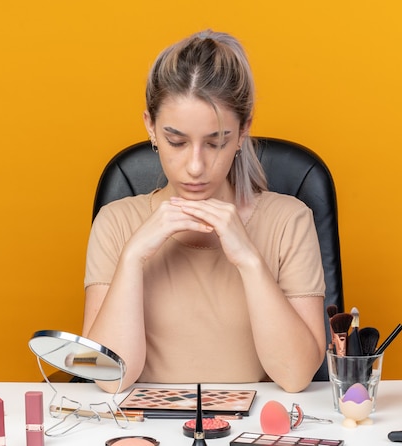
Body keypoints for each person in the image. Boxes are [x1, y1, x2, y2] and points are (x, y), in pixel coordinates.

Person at [82, 30, 326, 393]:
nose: (195, 167)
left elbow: (295, 376)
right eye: (176, 141)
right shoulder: (116, 223)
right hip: (147, 427)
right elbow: (109, 380)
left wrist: (249, 259)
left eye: (216, 142)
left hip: (254, 427)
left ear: (243, 131)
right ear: (150, 126)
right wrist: (132, 256)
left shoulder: (289, 221)